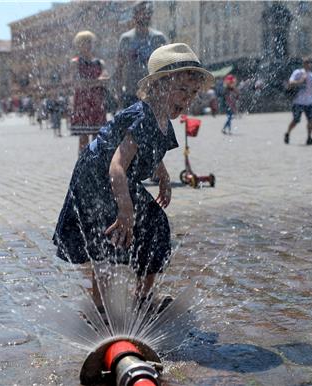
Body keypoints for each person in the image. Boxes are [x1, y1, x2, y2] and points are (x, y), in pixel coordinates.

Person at [52, 43, 213, 315]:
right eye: (182, 90)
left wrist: (161, 173)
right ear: (160, 86)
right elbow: (117, 166)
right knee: (108, 237)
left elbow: (149, 150)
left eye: (193, 93)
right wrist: (125, 208)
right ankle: (100, 306)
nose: (187, 99)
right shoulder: (142, 117)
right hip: (96, 179)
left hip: (119, 181)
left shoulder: (162, 119)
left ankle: (143, 297)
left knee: (155, 225)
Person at [114, 1, 167, 109]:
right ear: (135, 15)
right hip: (131, 93)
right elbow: (119, 68)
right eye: (141, 12)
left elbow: (166, 67)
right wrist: (118, 94)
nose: (145, 15)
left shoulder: (158, 38)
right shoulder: (126, 39)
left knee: (154, 125)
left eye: (148, 12)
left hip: (154, 93)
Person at [70, 31, 109, 155]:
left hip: (97, 102)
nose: (87, 45)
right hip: (83, 103)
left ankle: (94, 164)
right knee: (83, 137)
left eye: (89, 42)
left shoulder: (99, 62)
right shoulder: (75, 62)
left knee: (97, 137)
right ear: (78, 45)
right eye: (83, 42)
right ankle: (82, 166)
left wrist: (89, 83)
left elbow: (105, 79)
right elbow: (77, 82)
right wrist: (96, 82)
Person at [284, 56, 312, 145]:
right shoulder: (298, 72)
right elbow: (290, 82)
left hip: (309, 101)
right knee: (296, 120)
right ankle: (287, 133)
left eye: (309, 63)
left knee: (311, 120)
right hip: (298, 101)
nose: (307, 64)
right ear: (303, 64)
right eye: (306, 62)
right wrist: (300, 81)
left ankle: (309, 138)